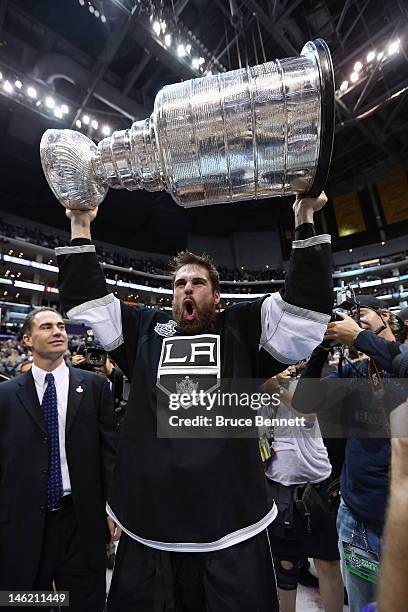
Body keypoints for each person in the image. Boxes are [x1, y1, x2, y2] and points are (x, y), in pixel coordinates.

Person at [56, 192, 333, 611]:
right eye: (179, 283)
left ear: (216, 296)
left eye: (198, 282)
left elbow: (303, 307)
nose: (187, 288)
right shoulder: (146, 330)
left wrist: (305, 217)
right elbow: (92, 302)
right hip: (151, 522)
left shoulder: (241, 327)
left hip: (230, 521)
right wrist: (81, 223)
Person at [0, 307, 118, 611]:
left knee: (83, 603)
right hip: (24, 522)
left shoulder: (94, 388)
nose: (58, 331)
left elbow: (109, 455)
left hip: (81, 522)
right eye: (47, 327)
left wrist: (114, 508)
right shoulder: (6, 395)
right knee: (27, 602)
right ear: (27, 340)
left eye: (61, 326)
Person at [292, 295, 401, 612]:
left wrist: (360, 337)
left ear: (386, 316)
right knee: (362, 606)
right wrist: (322, 346)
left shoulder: (402, 358)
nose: (353, 320)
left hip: (402, 518)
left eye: (360, 314)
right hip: (358, 519)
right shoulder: (353, 372)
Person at [263, 368, 344, 612]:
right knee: (285, 566)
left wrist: (276, 386)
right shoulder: (257, 390)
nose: (286, 369)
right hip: (278, 488)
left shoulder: (303, 386)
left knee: (328, 564)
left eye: (290, 364)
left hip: (316, 488)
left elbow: (307, 413)